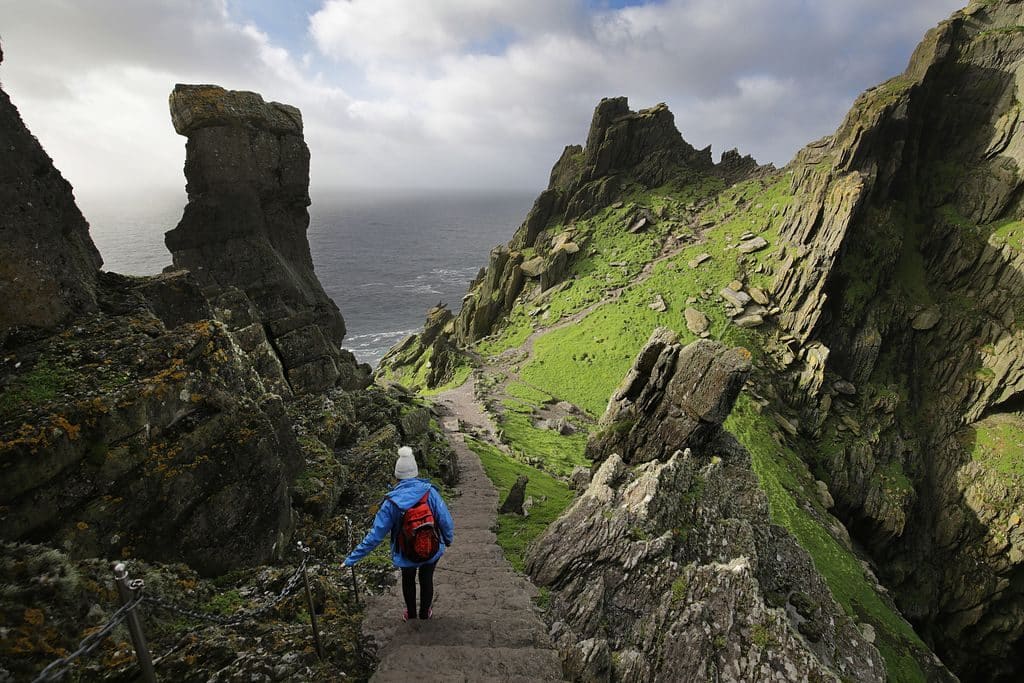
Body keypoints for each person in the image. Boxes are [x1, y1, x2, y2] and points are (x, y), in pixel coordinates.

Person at [344, 446, 455, 620]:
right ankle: (425, 613)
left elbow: (375, 535)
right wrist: (447, 540)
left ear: (397, 476)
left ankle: (410, 614)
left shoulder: (391, 503)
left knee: (408, 579)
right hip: (431, 548)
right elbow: (445, 520)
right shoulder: (430, 492)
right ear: (416, 472)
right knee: (427, 578)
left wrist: (352, 559)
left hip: (405, 551)